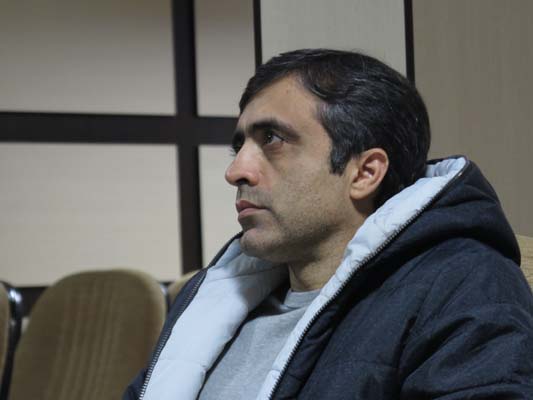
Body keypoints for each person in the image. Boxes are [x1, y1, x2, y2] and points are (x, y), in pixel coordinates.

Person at [124, 49, 533, 399]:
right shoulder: (211, 298)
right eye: (239, 147)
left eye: (272, 139)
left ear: (365, 173)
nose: (236, 171)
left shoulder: (465, 286)